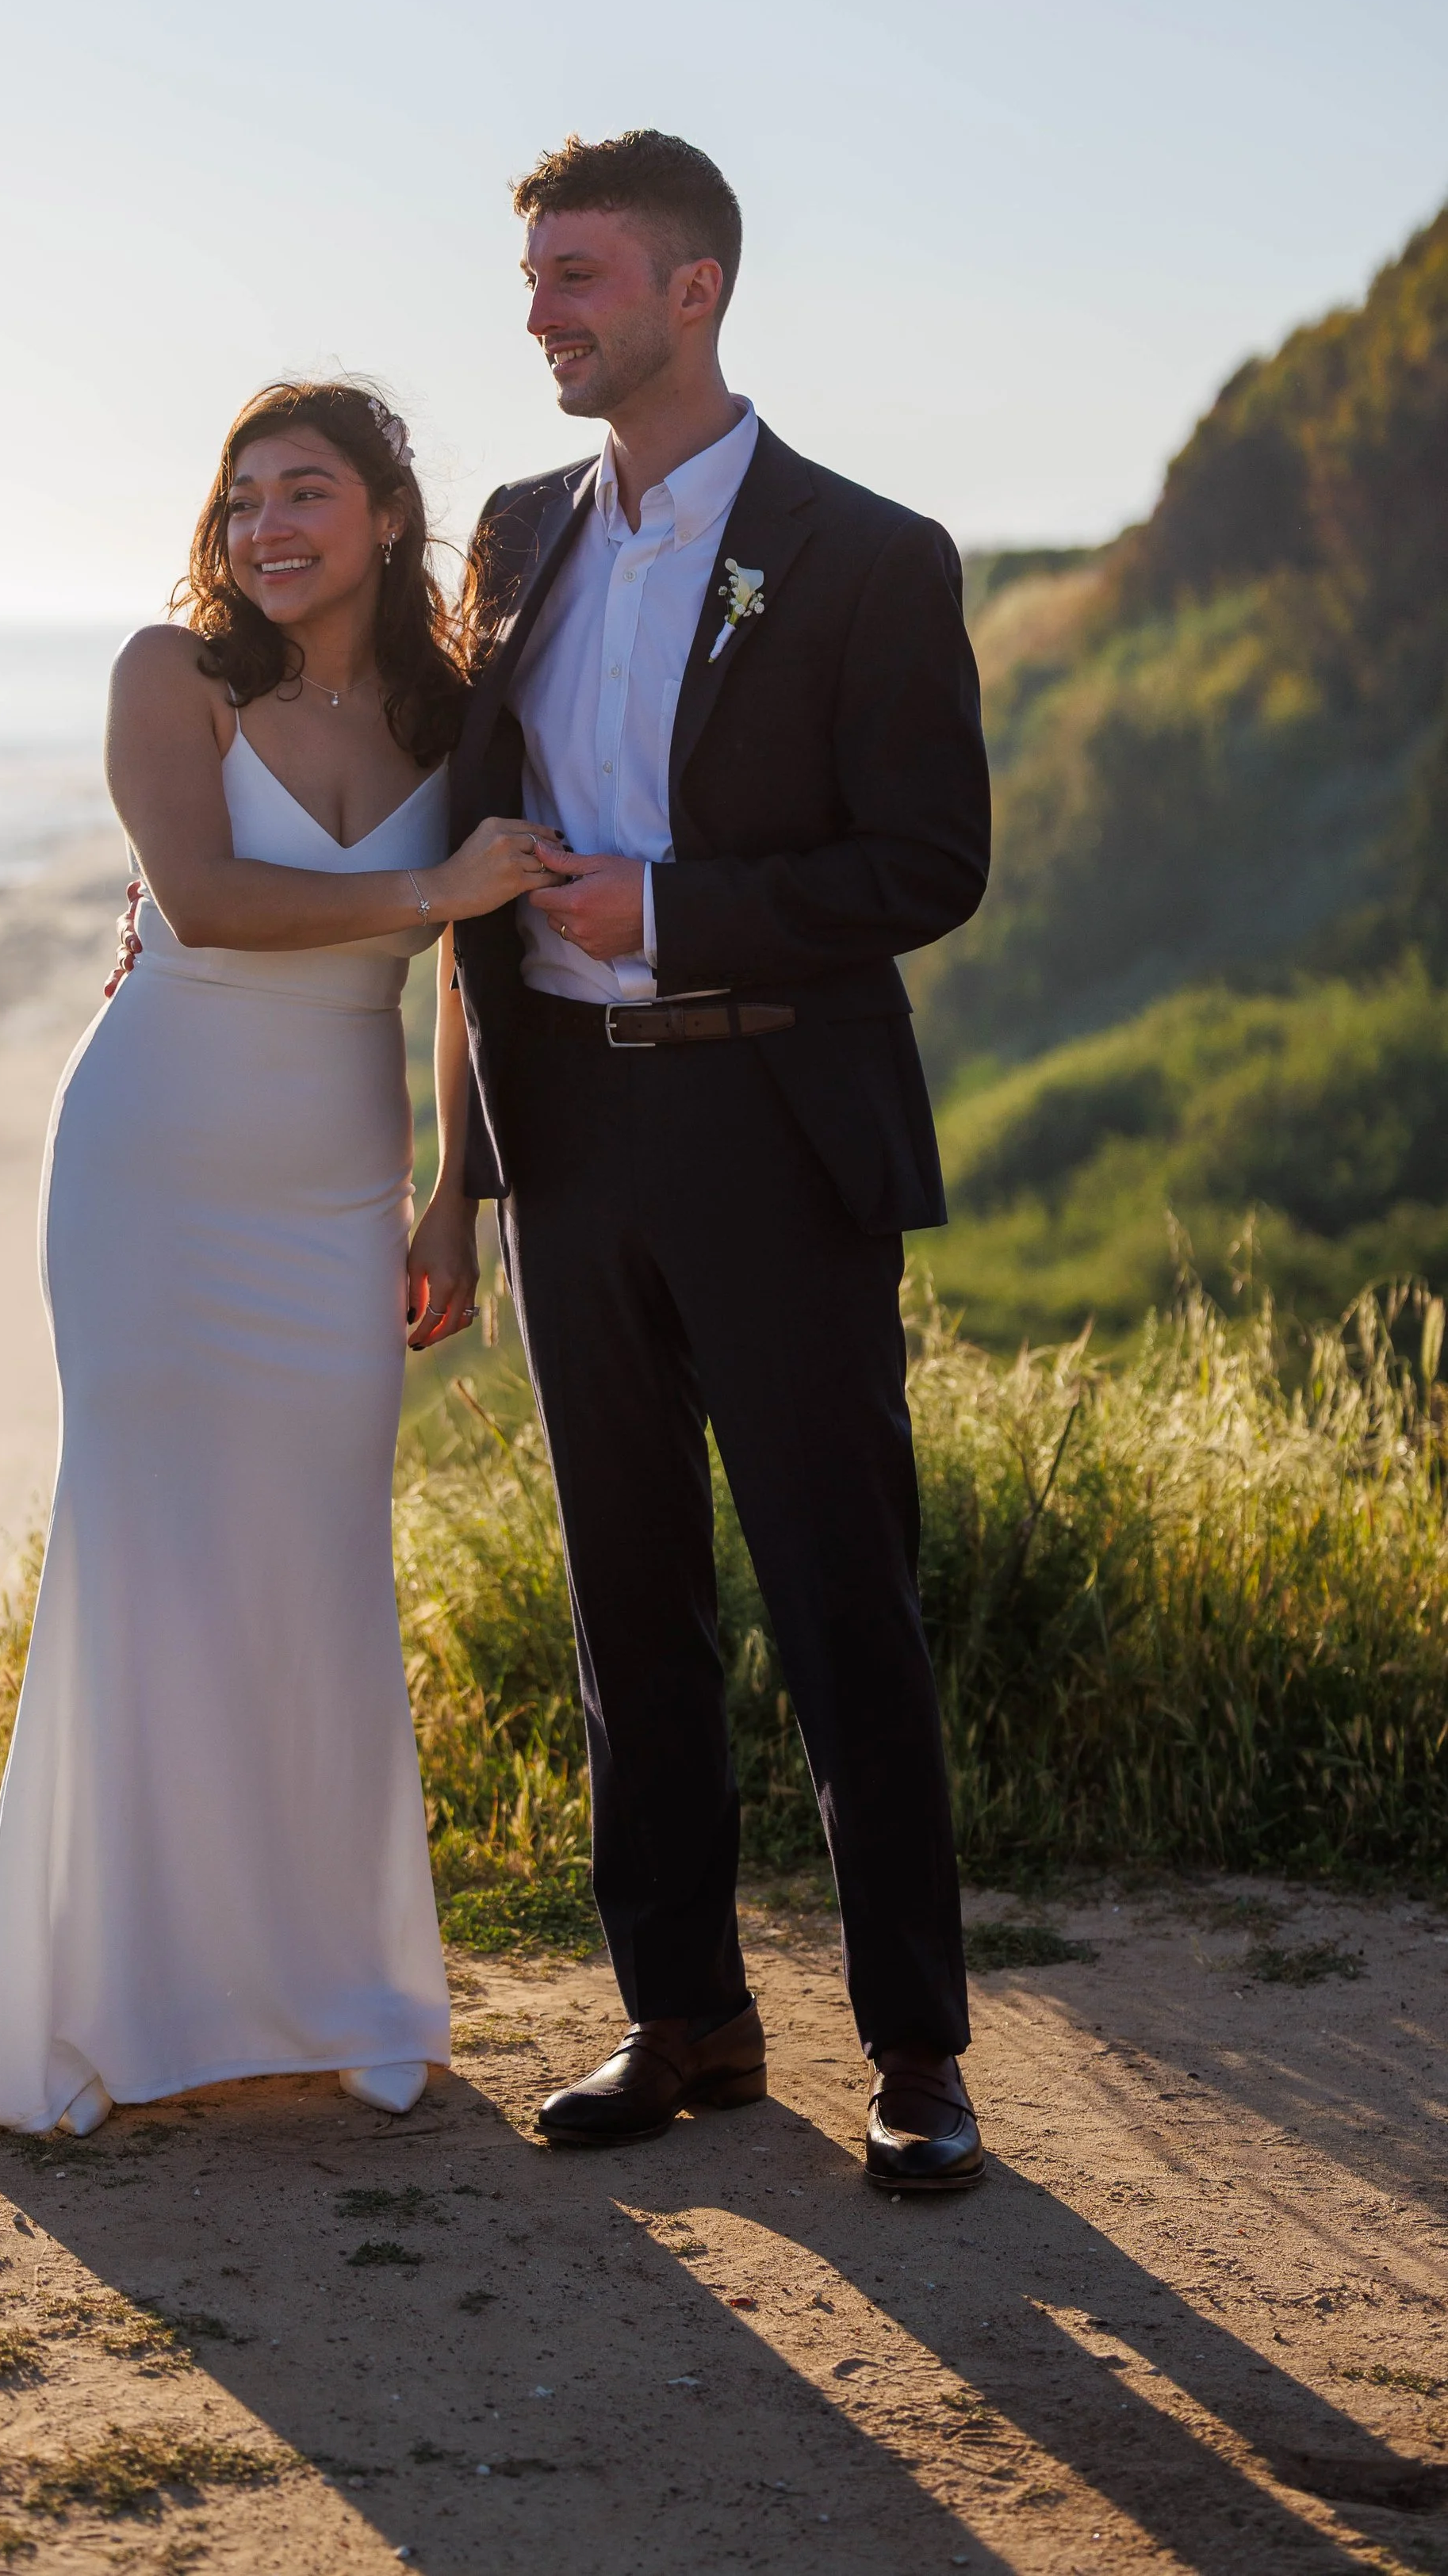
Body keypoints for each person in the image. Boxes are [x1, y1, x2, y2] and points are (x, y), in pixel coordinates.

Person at [0, 379, 550, 2133]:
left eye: (306, 492)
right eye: (243, 497)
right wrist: (437, 894)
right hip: (152, 1164)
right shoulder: (165, 679)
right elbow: (208, 902)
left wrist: (448, 1201)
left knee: (314, 1563)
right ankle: (123, 1989)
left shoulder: (450, 709)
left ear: (388, 515)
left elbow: (474, 986)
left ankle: (327, 1985)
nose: (267, 527)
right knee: (150, 1554)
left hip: (337, 1187)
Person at [414, 132, 992, 2190]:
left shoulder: (866, 552)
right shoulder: (508, 532)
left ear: (693, 289)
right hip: (567, 1134)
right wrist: (453, 1181)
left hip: (772, 1120)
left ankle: (916, 2050)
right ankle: (683, 2013)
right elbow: (473, 869)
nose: (543, 311)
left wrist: (662, 913)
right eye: (532, 281)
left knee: (843, 1594)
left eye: (577, 274)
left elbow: (928, 861)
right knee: (621, 1595)